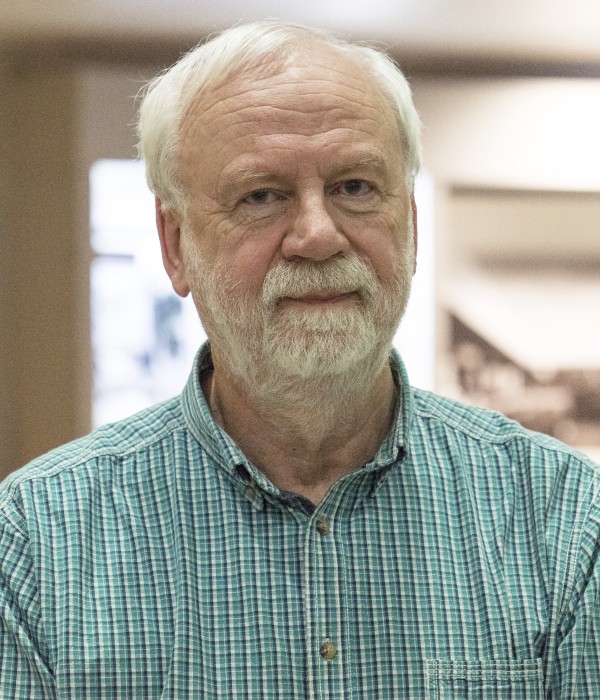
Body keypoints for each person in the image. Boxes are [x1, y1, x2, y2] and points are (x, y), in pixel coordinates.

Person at [0, 20, 598, 699]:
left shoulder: (560, 519)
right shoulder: (36, 548)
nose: (317, 233)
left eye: (355, 187)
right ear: (175, 245)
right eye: (261, 195)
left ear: (410, 223)